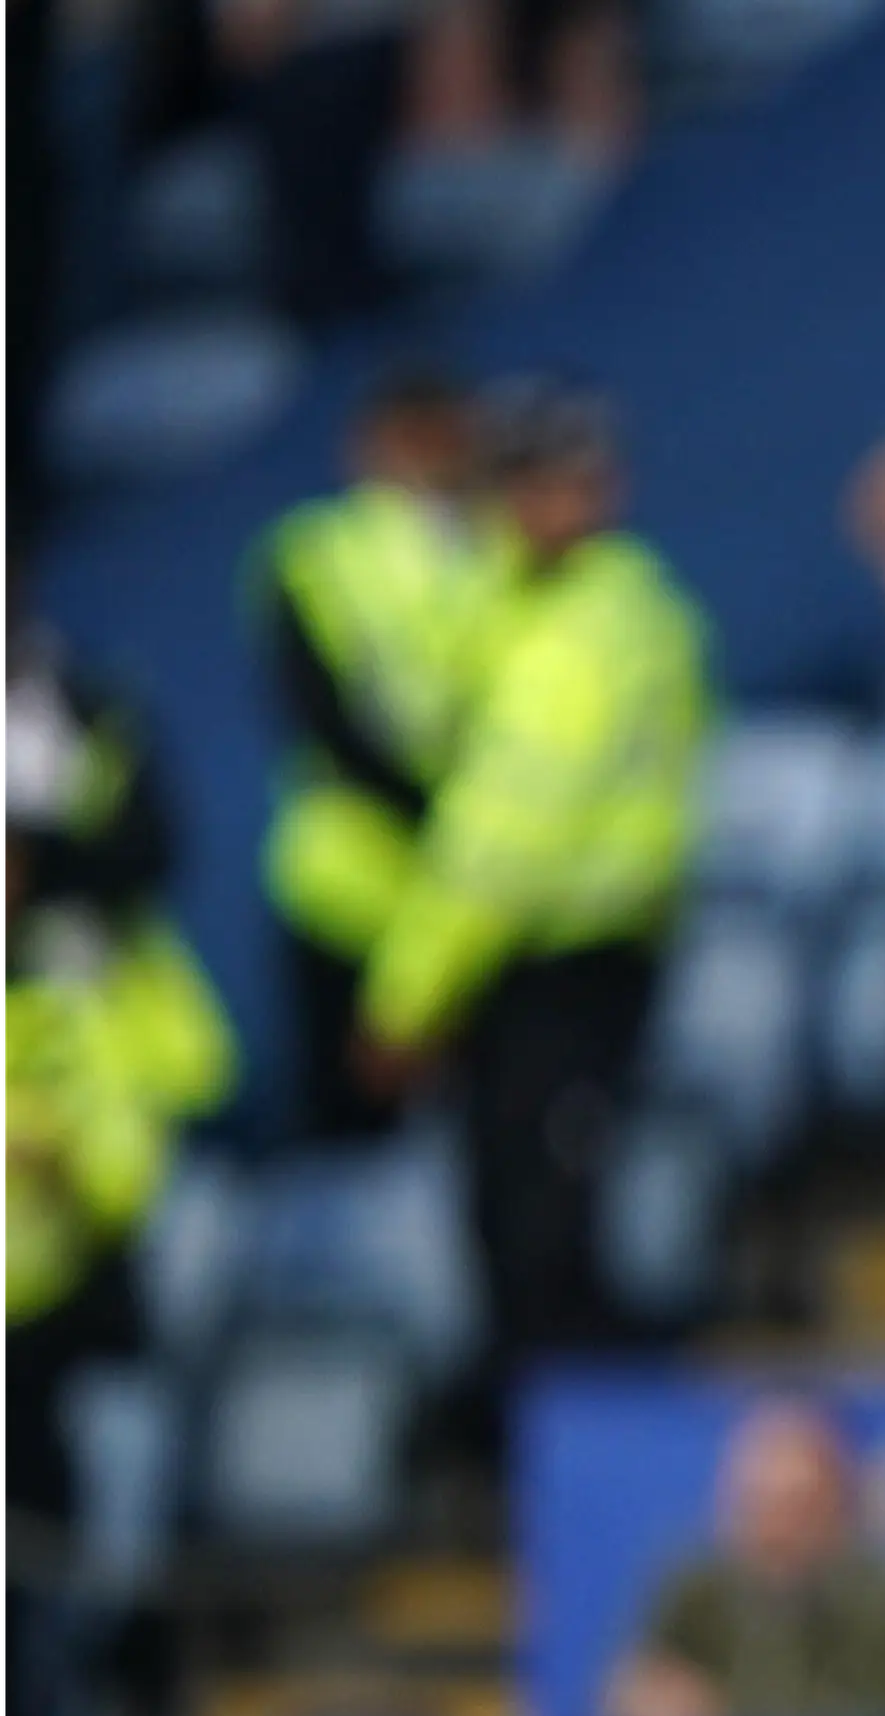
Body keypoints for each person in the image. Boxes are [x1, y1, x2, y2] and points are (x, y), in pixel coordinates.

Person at [355, 383, 708, 1359]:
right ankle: (516, 1455)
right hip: (528, 969)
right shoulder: (512, 608)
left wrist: (409, 992)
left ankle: (557, 1471)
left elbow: (502, 845)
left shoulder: (592, 629)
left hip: (572, 962)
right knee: (504, 1227)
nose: (553, 502)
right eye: (526, 480)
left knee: (546, 1235)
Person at [0, 609, 234, 1716]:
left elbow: (122, 1157)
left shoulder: (70, 998)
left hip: (65, 1310)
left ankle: (90, 1714)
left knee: (73, 1521)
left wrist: (59, 1162)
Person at [253, 367, 485, 1140]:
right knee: (350, 1124)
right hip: (350, 886)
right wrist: (444, 815)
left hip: (480, 893)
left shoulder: (503, 543)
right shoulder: (315, 554)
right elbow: (320, 715)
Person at [604, 1399, 885, 1716]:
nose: (775, 1530)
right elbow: (635, 1695)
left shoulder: (879, 1600)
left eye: (797, 1507)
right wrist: (644, 1707)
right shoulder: (693, 1588)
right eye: (758, 1504)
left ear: (839, 1508)